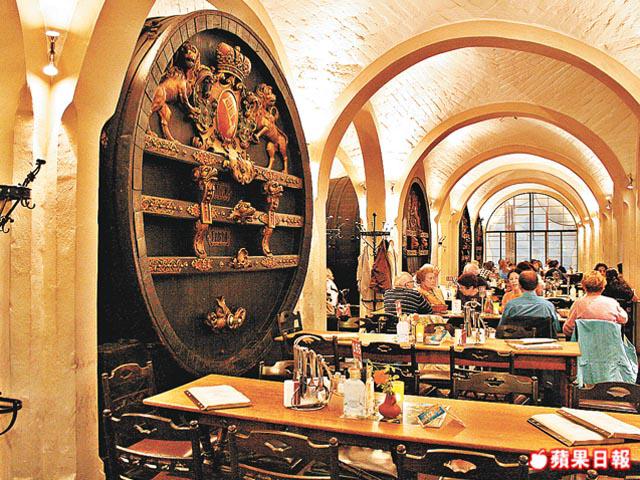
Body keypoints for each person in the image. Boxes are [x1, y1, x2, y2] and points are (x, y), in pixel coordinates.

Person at [563, 271, 627, 338]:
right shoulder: (612, 302)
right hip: (610, 342)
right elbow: (624, 319)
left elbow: (567, 329)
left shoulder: (578, 303)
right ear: (603, 287)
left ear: (583, 287)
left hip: (584, 343)